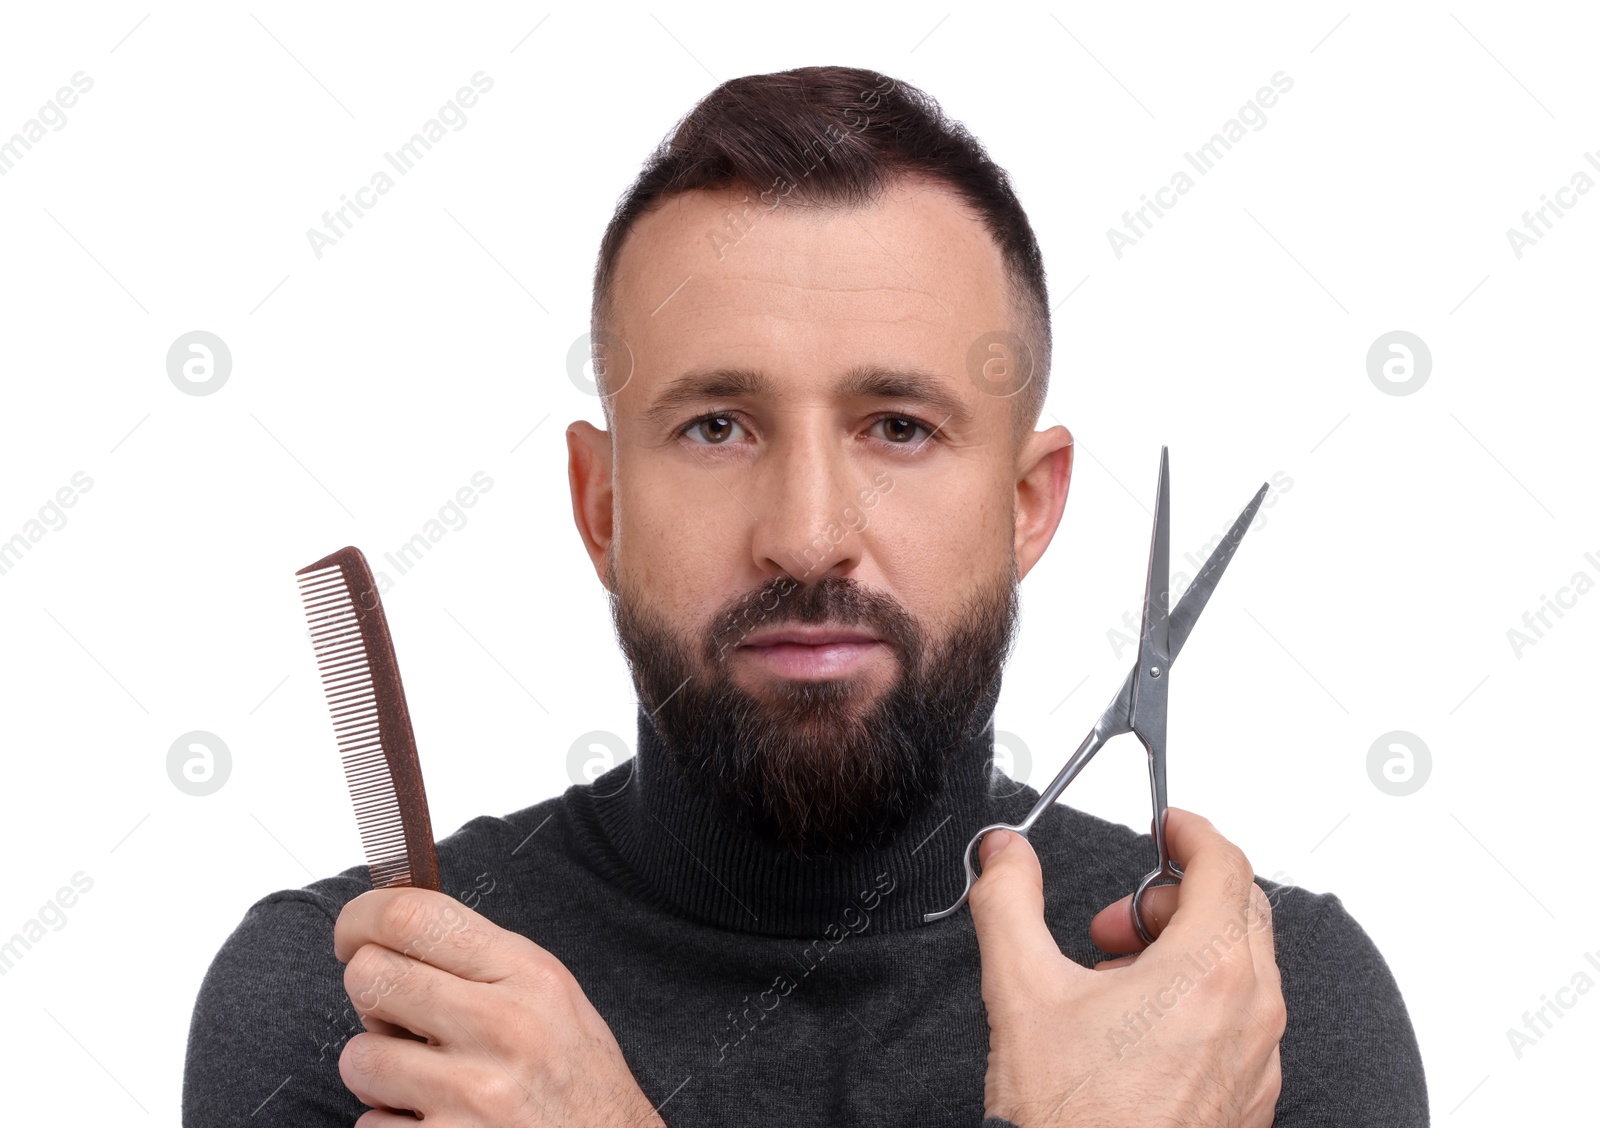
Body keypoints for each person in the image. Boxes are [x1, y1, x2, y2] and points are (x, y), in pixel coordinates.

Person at [183, 65, 1427, 1126]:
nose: (809, 536)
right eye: (718, 426)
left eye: (897, 425)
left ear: (1027, 504)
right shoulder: (358, 1013)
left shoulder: (1248, 1010)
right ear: (600, 505)